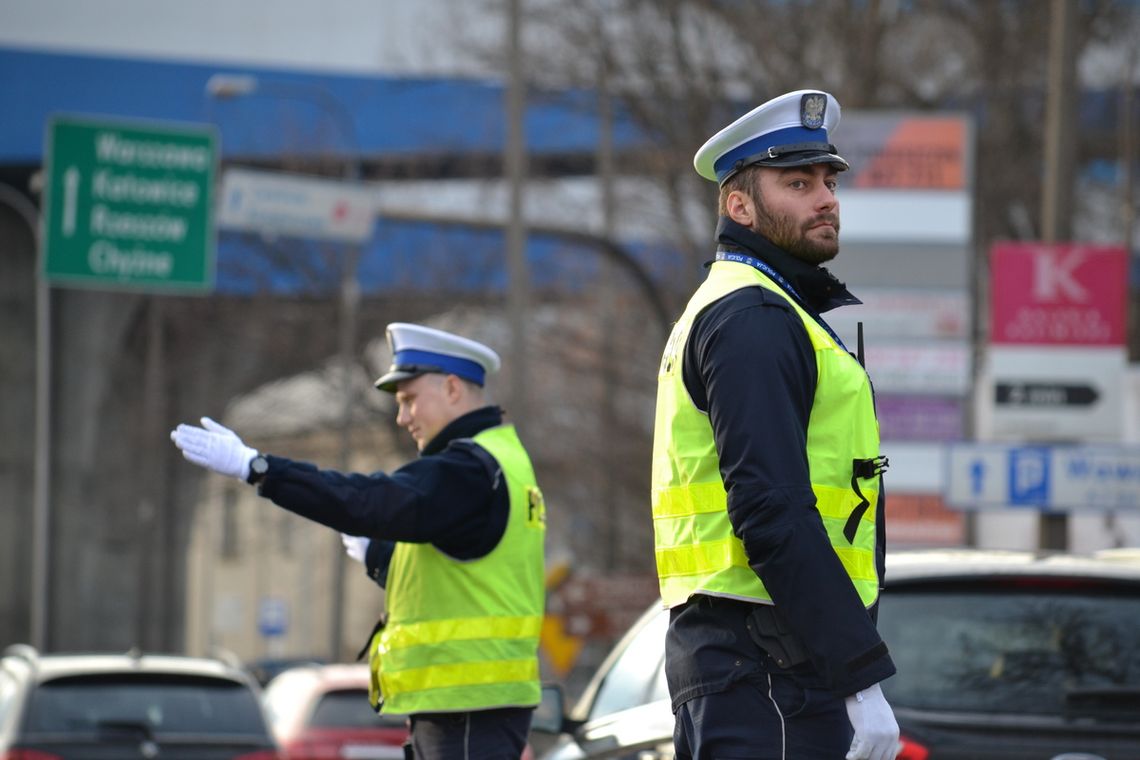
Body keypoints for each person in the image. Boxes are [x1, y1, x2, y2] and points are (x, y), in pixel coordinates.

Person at [650, 90, 900, 760]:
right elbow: (771, 508)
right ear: (740, 206)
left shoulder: (764, 309)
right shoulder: (752, 317)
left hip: (760, 665)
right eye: (797, 183)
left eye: (827, 180)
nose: (825, 197)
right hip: (771, 671)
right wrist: (860, 673)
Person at [171, 323, 546, 760]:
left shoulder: (467, 469)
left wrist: (258, 468)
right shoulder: (501, 462)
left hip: (465, 708)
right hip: (471, 707)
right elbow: (467, 573)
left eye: (408, 400)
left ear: (451, 388)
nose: (402, 417)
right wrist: (381, 557)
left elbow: (369, 500)